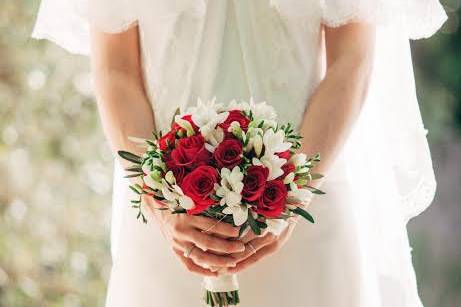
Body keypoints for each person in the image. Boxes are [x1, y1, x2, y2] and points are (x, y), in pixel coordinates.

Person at [32, 0, 447, 306]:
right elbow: (115, 69)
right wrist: (161, 206)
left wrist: (294, 192)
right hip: (171, 225)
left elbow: (352, 62)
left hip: (308, 208)